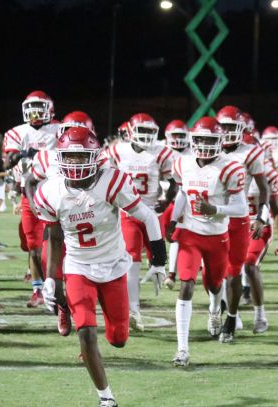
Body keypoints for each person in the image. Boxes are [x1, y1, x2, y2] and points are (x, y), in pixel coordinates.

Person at [36, 127, 166, 407]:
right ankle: (106, 398)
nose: (75, 163)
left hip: (113, 265)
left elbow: (148, 217)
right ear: (60, 158)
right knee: (86, 332)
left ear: (95, 157)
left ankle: (87, 335)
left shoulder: (112, 181)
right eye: (70, 157)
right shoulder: (50, 191)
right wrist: (50, 279)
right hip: (78, 266)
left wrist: (159, 260)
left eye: (81, 157)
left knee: (118, 339)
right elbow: (55, 238)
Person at [167, 117, 246, 367]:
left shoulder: (230, 168)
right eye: (199, 139)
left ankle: (214, 309)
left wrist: (216, 209)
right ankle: (182, 348)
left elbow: (242, 208)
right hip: (190, 233)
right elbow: (182, 193)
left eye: (209, 139)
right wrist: (173, 219)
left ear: (219, 141)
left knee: (214, 285)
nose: (203, 144)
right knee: (186, 285)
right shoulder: (182, 163)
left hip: (217, 235)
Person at [27, 110, 100, 336]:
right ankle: (63, 306)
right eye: (68, 131)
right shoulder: (47, 156)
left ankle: (87, 322)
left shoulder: (101, 158)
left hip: (89, 224)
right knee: (52, 275)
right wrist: (35, 206)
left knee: (89, 279)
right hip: (58, 225)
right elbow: (29, 181)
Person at [107, 112, 176, 332]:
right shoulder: (117, 150)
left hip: (152, 214)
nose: (146, 135)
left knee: (158, 262)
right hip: (128, 214)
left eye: (149, 131)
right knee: (132, 261)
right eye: (142, 130)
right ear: (130, 131)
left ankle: (160, 271)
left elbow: (173, 183)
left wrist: (166, 201)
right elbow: (106, 178)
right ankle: (134, 311)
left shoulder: (162, 153)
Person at [216, 105, 268, 343]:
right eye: (223, 126)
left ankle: (232, 317)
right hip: (211, 219)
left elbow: (265, 189)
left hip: (238, 217)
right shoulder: (206, 148)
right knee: (212, 274)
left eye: (231, 127)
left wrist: (262, 218)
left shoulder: (251, 152)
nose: (227, 131)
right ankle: (217, 311)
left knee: (236, 271)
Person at [3, 90, 60, 307]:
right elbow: (8, 161)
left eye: (39, 108)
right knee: (34, 248)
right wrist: (21, 154)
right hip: (30, 195)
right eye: (31, 108)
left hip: (55, 195)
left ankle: (57, 285)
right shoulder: (16, 133)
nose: (35, 113)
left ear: (49, 109)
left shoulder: (59, 129)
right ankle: (38, 290)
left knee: (55, 245)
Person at [244, 154, 278, 333]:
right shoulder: (226, 166)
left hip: (260, 227)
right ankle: (231, 316)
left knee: (250, 266)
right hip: (233, 226)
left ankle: (260, 316)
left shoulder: (266, 171)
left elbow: (276, 210)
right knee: (227, 272)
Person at [159, 119, 192, 289]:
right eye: (175, 135)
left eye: (181, 135)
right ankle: (160, 266)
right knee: (167, 237)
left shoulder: (193, 152)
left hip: (186, 200)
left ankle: (172, 273)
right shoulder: (161, 151)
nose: (178, 139)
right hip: (165, 199)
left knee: (177, 237)